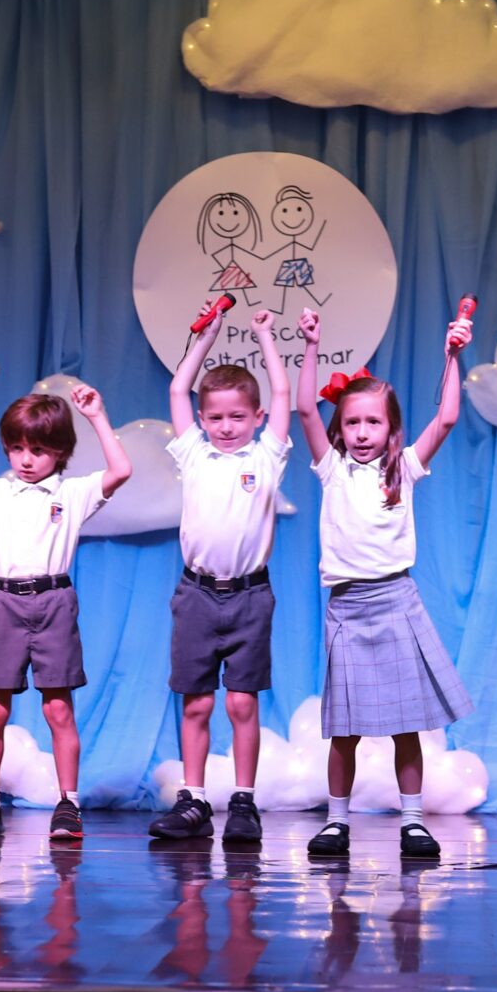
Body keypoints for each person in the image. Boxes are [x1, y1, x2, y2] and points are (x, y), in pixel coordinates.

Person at [295, 304, 475, 861]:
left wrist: (452, 358)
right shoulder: (332, 470)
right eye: (352, 423)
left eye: (373, 422)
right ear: (340, 428)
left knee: (406, 724)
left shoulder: (404, 468)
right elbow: (304, 407)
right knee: (344, 729)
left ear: (391, 428)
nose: (362, 432)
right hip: (348, 607)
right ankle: (337, 822)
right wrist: (311, 346)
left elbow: (447, 418)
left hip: (396, 600)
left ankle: (413, 822)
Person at [0, 380, 130, 843]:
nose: (25, 459)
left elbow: (121, 469)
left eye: (38, 450)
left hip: (54, 601)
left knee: (58, 709)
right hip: (5, 603)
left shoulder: (72, 493)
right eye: (16, 448)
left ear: (59, 452)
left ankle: (68, 804)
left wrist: (97, 416)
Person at [149, 308, 293, 848]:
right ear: (202, 420)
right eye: (216, 417)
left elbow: (283, 391)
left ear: (256, 417)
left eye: (237, 416)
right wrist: (207, 336)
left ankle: (244, 801)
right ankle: (193, 800)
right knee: (197, 702)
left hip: (250, 596)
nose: (226, 427)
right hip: (197, 595)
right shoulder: (195, 454)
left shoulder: (268, 455)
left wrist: (264, 335)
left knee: (241, 703)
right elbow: (178, 387)